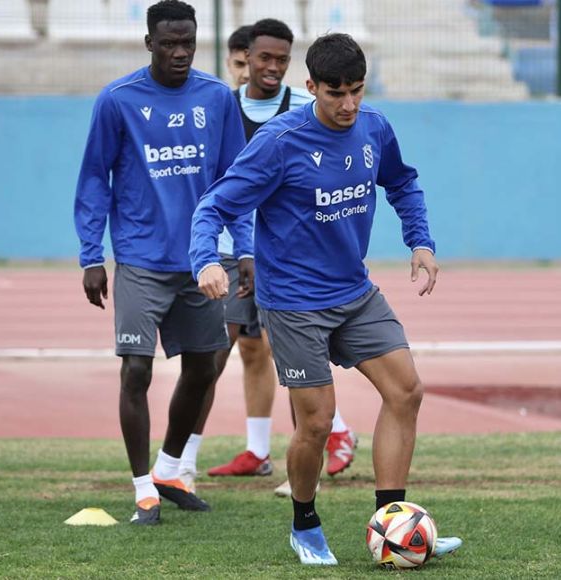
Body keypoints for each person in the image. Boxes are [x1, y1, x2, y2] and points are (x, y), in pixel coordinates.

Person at [189, 33, 462, 565]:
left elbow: (402, 184)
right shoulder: (278, 142)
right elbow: (213, 207)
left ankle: (394, 525)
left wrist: (421, 242)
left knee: (406, 392)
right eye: (336, 93)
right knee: (316, 422)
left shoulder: (375, 128)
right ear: (310, 86)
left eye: (357, 91)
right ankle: (305, 524)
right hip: (293, 303)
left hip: (353, 292)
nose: (349, 105)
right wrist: (204, 260)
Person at [73, 0, 248, 525]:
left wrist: (243, 248)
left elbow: (237, 181)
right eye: (168, 43)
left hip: (200, 260)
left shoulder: (216, 98)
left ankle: (170, 468)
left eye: (187, 43)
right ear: (148, 42)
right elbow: (92, 179)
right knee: (136, 369)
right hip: (140, 259)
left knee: (202, 368)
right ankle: (143, 487)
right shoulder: (118, 100)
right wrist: (91, 255)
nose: (179, 52)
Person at [180, 19, 358, 497]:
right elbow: (215, 182)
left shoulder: (306, 109)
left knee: (296, 358)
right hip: (233, 252)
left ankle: (321, 449)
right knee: (222, 354)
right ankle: (194, 461)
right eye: (261, 58)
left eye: (281, 59)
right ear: (243, 59)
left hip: (288, 260)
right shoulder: (224, 108)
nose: (270, 67)